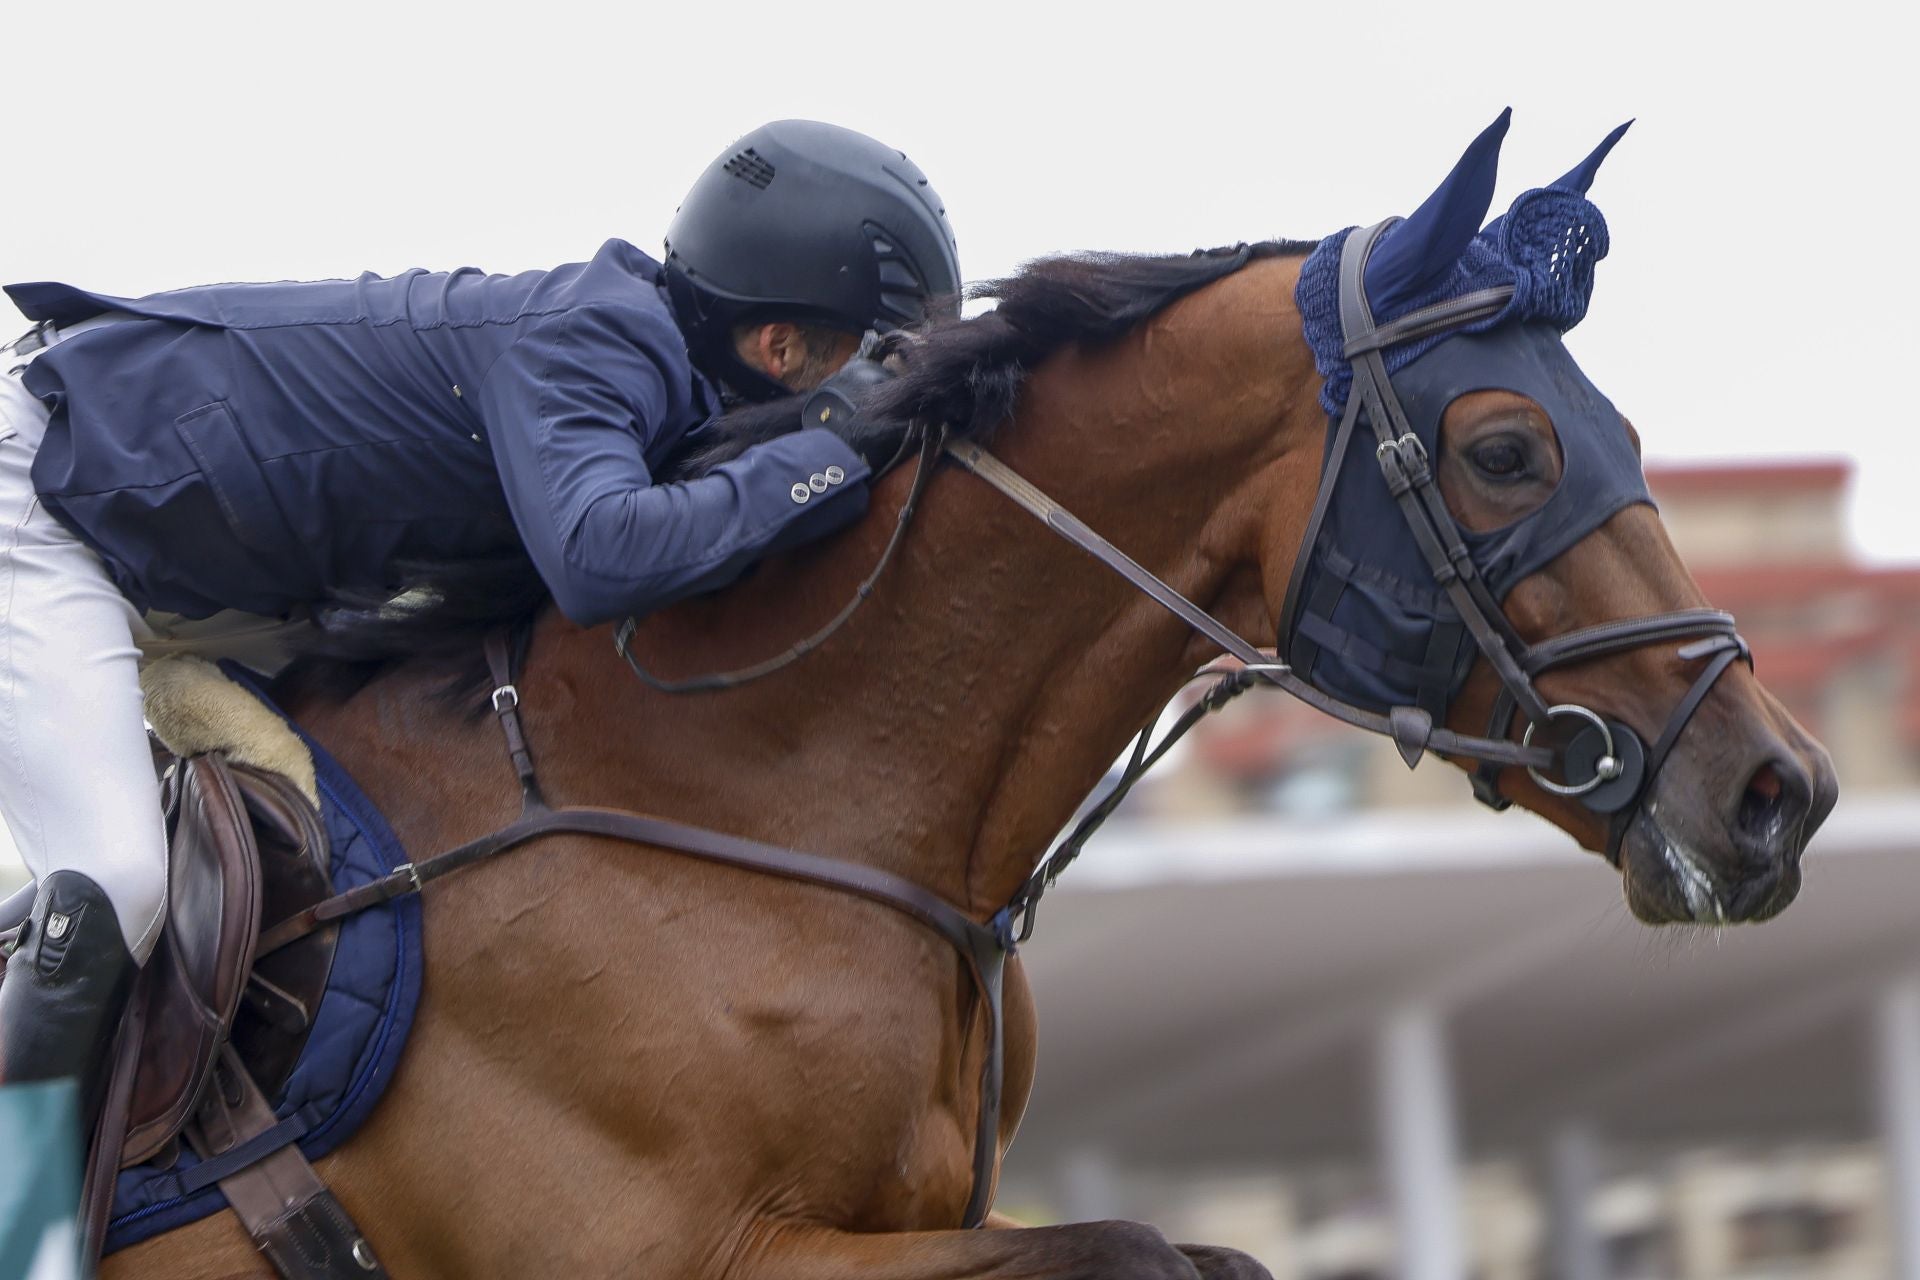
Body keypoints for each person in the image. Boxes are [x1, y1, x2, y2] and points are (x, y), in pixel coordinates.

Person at [0, 119, 960, 1138]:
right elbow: (600, 556)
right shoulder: (599, 337)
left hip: (194, 565)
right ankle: (24, 1210)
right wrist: (836, 446)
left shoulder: (655, 376)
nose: (871, 389)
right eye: (868, 364)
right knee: (117, 881)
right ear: (778, 346)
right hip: (44, 491)